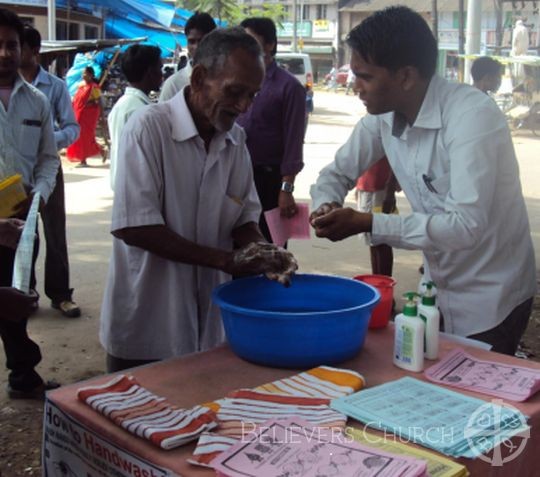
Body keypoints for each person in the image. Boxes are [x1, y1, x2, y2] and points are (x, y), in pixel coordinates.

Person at [309, 6, 536, 355]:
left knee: (474, 398)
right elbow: (336, 173)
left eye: (365, 76)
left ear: (406, 76)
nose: (355, 87)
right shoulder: (382, 117)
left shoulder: (471, 117)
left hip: (492, 295)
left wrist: (368, 223)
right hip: (438, 289)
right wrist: (326, 202)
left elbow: (465, 226)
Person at [100, 27, 298, 372]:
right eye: (235, 92)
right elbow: (135, 226)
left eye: (252, 95)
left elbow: (243, 218)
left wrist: (264, 251)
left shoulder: (235, 140)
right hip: (147, 320)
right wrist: (226, 261)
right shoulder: (147, 129)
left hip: (208, 324)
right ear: (200, 77)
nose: (244, 106)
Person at [0, 8, 60, 398]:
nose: (5, 53)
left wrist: (39, 195)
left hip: (22, 218)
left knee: (17, 295)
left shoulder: (37, 100)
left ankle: (23, 375)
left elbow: (48, 158)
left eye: (11, 45)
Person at [19, 25, 81, 318]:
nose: (9, 53)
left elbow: (72, 128)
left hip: (49, 167)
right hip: (14, 173)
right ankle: (24, 292)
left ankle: (60, 295)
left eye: (17, 47)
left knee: (55, 232)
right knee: (20, 233)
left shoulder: (54, 87)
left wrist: (45, 138)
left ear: (34, 51)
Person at [237, 17, 305, 243]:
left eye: (251, 41)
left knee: (273, 248)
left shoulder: (289, 87)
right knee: (239, 245)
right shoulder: (236, 82)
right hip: (237, 176)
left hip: (270, 180)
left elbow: (294, 143)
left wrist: (286, 188)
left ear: (270, 45)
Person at [108, 44, 163, 190]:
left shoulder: (123, 105)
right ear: (150, 72)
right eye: (159, 69)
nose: (162, 75)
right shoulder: (141, 111)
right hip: (135, 188)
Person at [159, 12, 216, 102]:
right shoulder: (173, 84)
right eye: (192, 41)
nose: (196, 47)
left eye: (202, 40)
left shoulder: (223, 80)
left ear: (213, 41)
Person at [355, 157, 398, 276]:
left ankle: (385, 283)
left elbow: (395, 158)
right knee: (371, 238)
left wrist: (390, 191)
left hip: (380, 188)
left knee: (382, 239)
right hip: (365, 186)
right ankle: (377, 282)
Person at [66, 66, 105, 167]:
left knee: (86, 137)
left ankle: (84, 160)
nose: (83, 75)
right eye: (83, 73)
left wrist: (102, 116)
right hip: (78, 113)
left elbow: (99, 101)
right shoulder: (80, 86)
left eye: (85, 73)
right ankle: (100, 150)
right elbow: (76, 100)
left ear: (91, 75)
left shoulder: (94, 87)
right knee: (79, 136)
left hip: (88, 115)